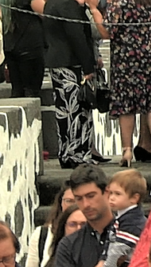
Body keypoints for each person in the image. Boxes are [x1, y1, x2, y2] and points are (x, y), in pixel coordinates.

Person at [107, 0, 151, 167]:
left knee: (126, 106)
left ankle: (127, 151)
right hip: (150, 56)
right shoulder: (149, 2)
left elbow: (108, 31)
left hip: (126, 58)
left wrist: (93, 9)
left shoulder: (119, 3)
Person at [43, 0, 97, 168]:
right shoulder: (68, 6)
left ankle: (66, 152)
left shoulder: (51, 4)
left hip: (57, 61)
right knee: (78, 108)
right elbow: (77, 36)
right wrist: (89, 65)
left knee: (64, 109)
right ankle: (78, 153)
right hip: (71, 63)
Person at [26, 183, 76, 267]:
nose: (74, 206)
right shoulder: (42, 235)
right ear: (61, 203)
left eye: (78, 200)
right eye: (69, 201)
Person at [3, 0, 45, 98]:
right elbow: (46, 12)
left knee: (17, 90)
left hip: (10, 42)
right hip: (29, 44)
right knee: (31, 91)